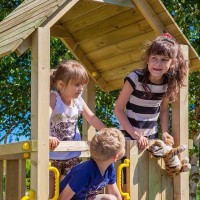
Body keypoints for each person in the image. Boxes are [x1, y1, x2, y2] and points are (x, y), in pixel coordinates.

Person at [114, 33, 188, 150]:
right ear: (147, 59)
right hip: (129, 135)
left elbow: (163, 109)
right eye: (154, 58)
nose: (158, 64)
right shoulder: (135, 78)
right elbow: (118, 109)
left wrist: (164, 132)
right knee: (127, 167)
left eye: (164, 60)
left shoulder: (168, 83)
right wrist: (135, 135)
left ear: (172, 63)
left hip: (151, 136)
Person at [49, 60, 105, 198]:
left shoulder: (79, 101)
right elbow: (44, 116)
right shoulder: (54, 97)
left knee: (66, 194)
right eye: (77, 84)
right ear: (61, 85)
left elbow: (91, 118)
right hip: (52, 156)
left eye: (82, 85)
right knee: (49, 194)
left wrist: (106, 130)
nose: (81, 89)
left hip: (72, 156)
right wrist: (46, 136)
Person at [59, 128, 125, 200]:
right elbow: (63, 198)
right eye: (123, 147)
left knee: (111, 199)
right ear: (115, 157)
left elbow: (115, 193)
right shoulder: (84, 173)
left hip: (86, 198)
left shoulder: (109, 167)